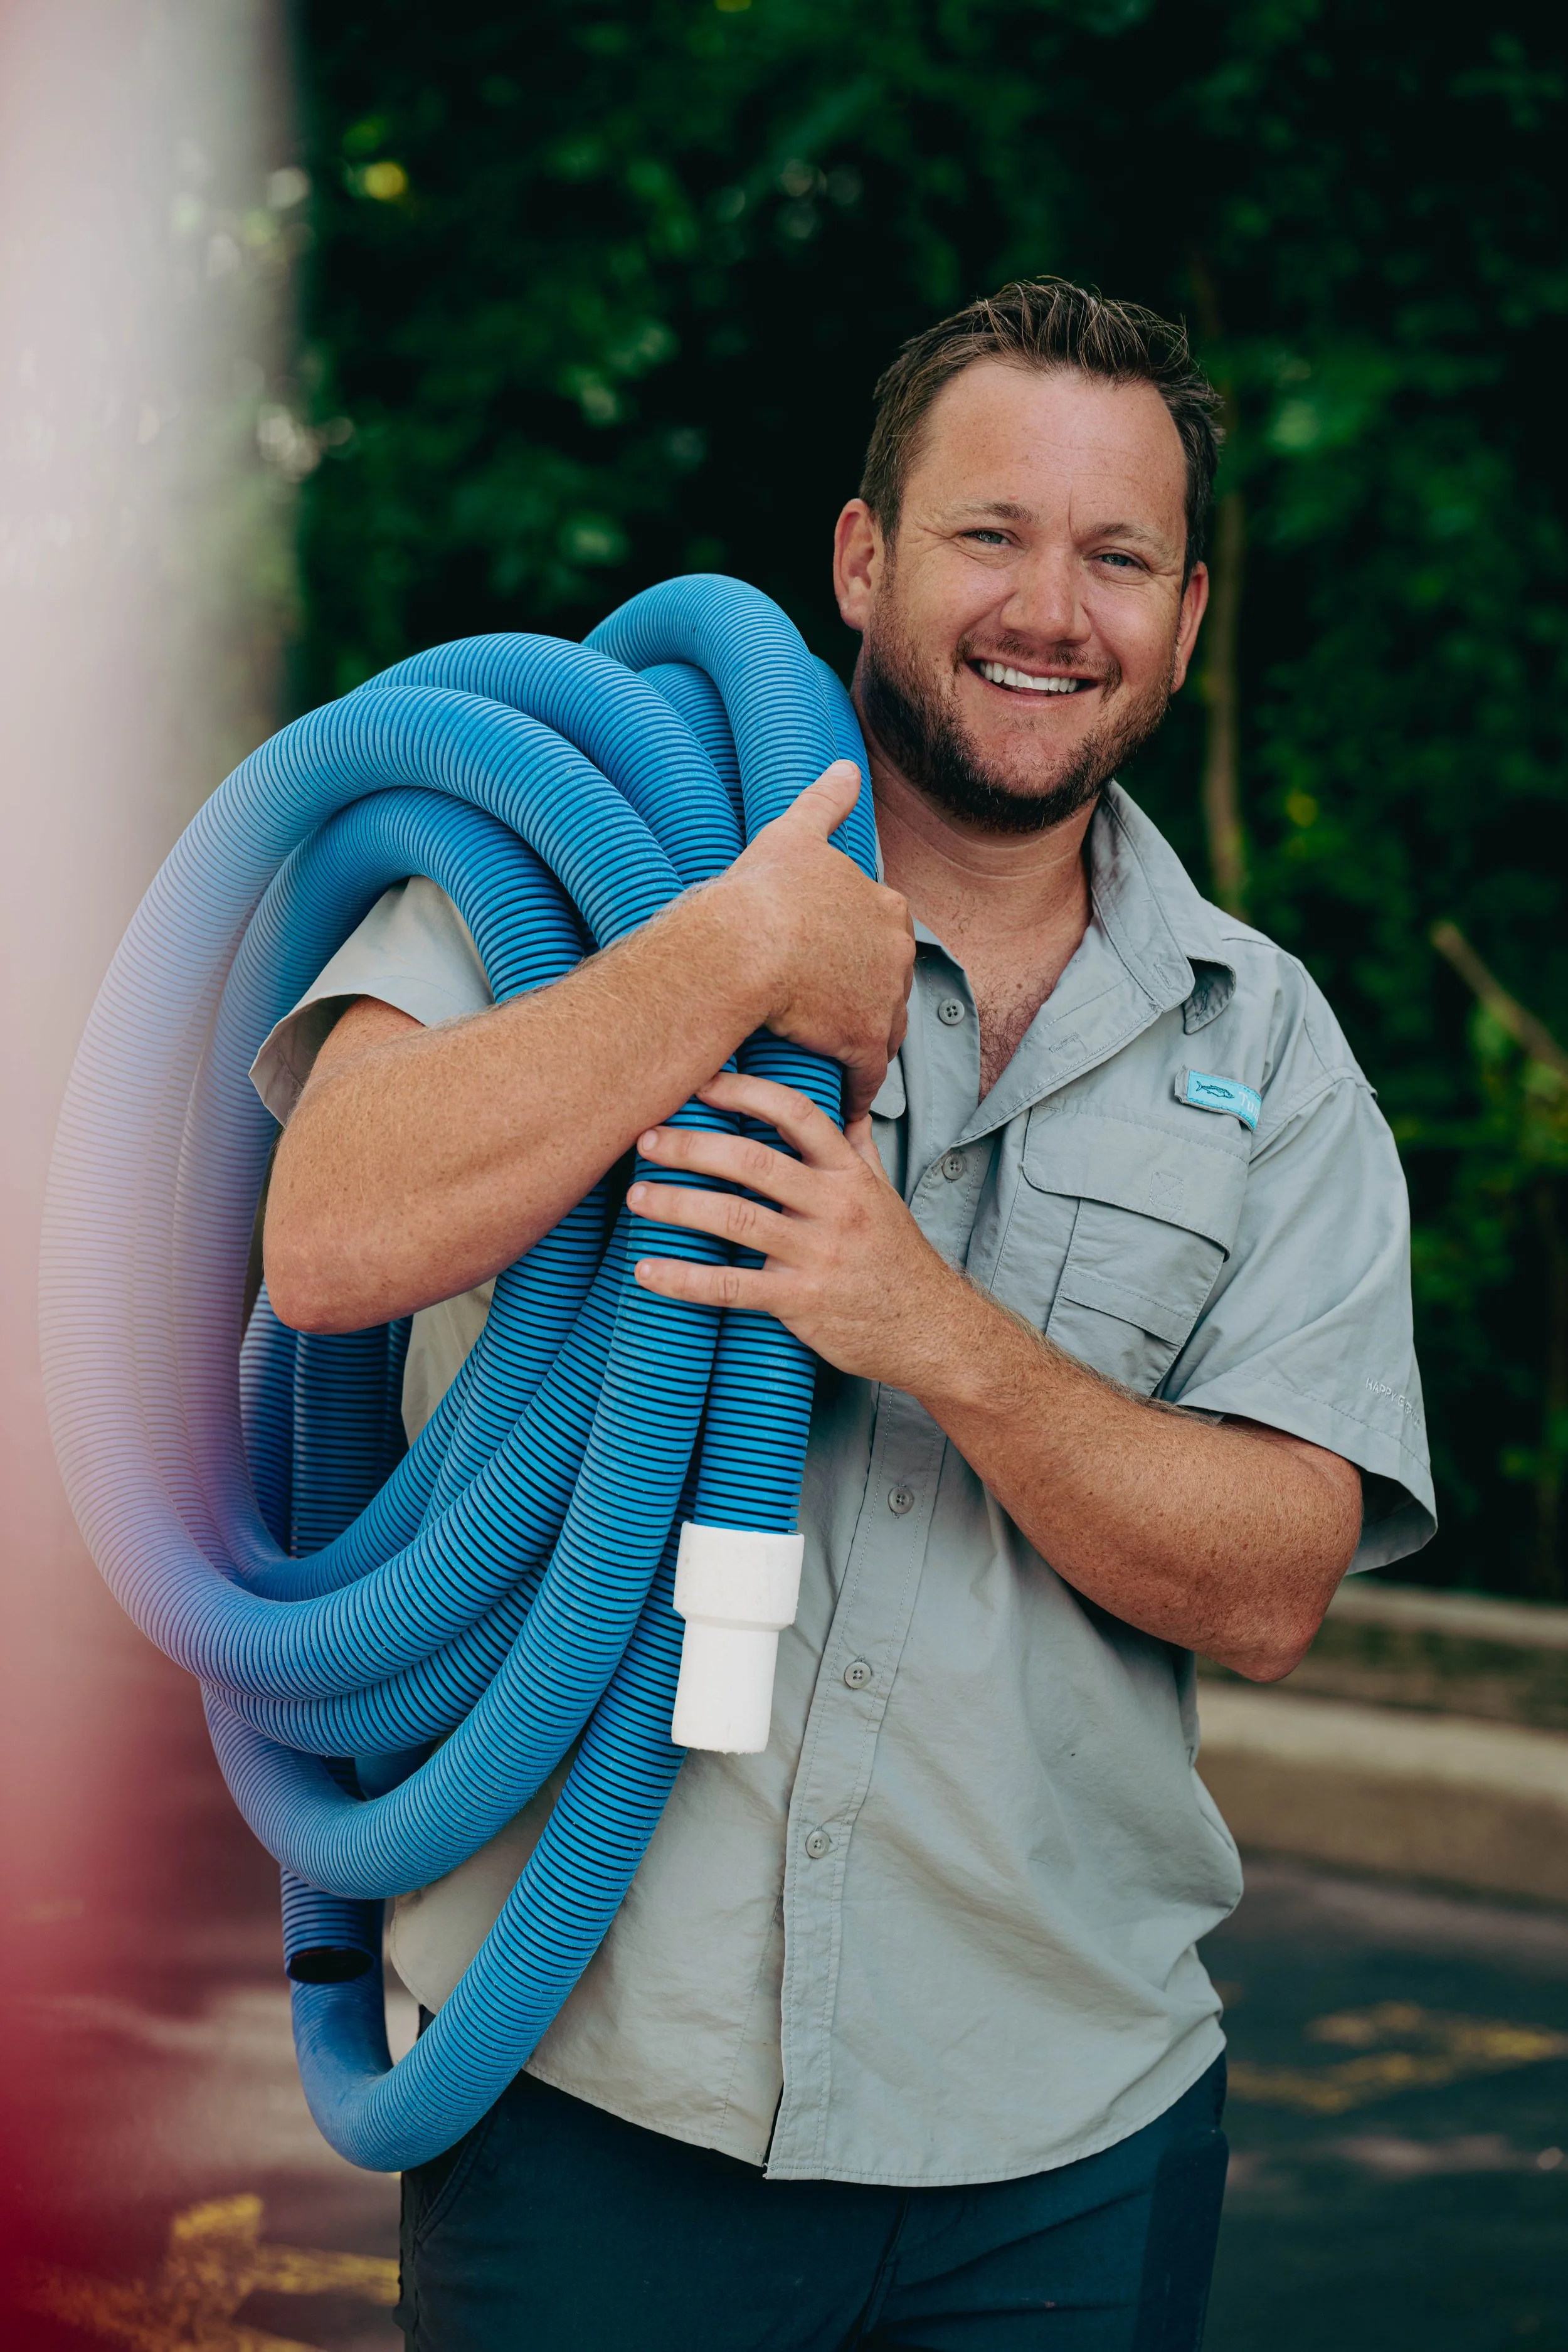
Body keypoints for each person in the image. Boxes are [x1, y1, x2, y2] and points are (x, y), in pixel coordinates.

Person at [253, 280, 1434, 2351]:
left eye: (1116, 557)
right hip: (596, 2086)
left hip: (1058, 2138)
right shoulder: (575, 859)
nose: (1048, 608)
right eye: (989, 533)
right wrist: (716, 963)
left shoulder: (1271, 1051)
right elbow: (329, 1238)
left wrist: (926, 1327)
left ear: (1184, 615)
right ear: (862, 559)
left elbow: (1271, 1579)